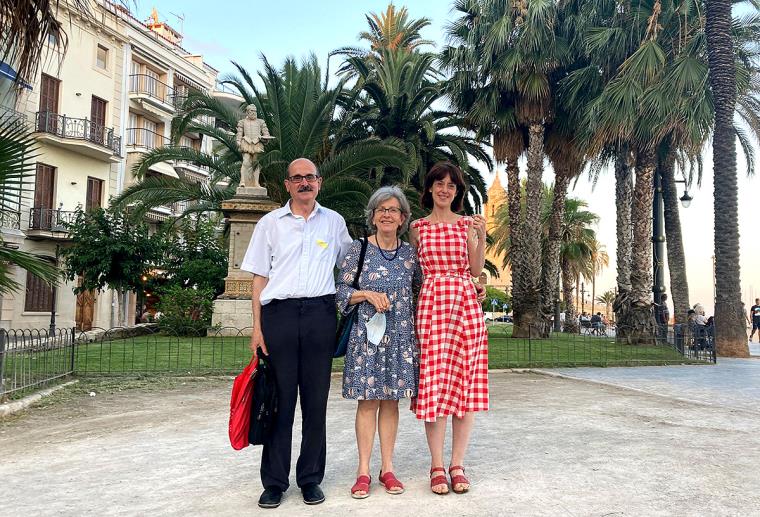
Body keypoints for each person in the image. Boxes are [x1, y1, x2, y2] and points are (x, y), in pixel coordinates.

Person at [241, 158, 353, 509]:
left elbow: (351, 266)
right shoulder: (270, 224)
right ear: (287, 184)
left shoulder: (334, 222)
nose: (305, 183)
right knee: (279, 401)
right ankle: (274, 481)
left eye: (310, 177)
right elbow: (259, 278)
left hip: (320, 313)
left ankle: (309, 479)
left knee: (316, 402)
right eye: (297, 178)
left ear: (319, 182)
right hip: (280, 317)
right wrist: (257, 328)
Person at [336, 186, 420, 499]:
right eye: (381, 209)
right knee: (368, 402)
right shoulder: (357, 250)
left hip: (399, 339)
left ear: (402, 218)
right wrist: (366, 294)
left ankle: (387, 468)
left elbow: (423, 290)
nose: (386, 214)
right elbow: (340, 293)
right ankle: (363, 471)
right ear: (372, 216)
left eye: (393, 210)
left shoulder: (411, 255)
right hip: (366, 341)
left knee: (391, 402)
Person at [409, 162, 488, 495]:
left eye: (451, 186)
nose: (444, 190)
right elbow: (411, 271)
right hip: (431, 307)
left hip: (463, 305)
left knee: (464, 387)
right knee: (434, 385)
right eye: (439, 184)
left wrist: (480, 237)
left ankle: (457, 464)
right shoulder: (416, 227)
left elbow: (475, 267)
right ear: (429, 188)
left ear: (457, 192)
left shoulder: (467, 224)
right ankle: (437, 465)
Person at [236, 104, 274, 188]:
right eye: (252, 111)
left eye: (255, 111)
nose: (254, 113)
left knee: (256, 164)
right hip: (246, 142)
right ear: (247, 112)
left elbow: (266, 134)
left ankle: (256, 183)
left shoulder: (261, 122)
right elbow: (239, 134)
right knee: (245, 162)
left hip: (257, 143)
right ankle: (242, 181)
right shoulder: (242, 122)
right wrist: (238, 141)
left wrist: (264, 138)